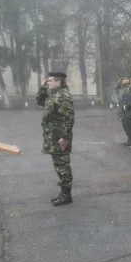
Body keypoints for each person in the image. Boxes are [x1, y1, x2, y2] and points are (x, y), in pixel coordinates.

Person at [36, 72, 75, 206]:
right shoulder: (53, 94)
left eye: (51, 81)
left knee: (63, 165)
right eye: (47, 81)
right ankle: (63, 192)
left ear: (59, 82)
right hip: (53, 136)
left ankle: (67, 195)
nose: (48, 83)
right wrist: (42, 88)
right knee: (59, 165)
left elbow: (68, 118)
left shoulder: (63, 96)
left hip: (59, 137)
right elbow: (40, 101)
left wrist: (64, 138)